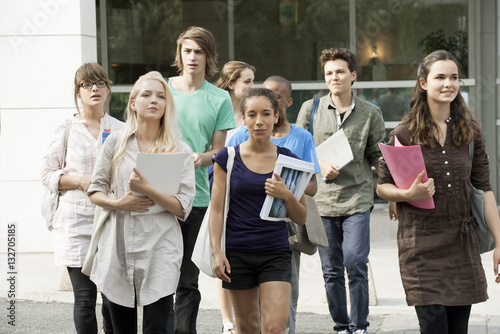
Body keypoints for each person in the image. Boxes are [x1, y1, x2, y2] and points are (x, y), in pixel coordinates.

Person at [376, 50, 500, 334]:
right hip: (421, 246)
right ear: (423, 83)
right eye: (440, 77)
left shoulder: (470, 132)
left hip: (461, 243)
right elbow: (383, 186)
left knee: (458, 330)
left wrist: (499, 241)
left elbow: (485, 189)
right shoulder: (405, 133)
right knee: (433, 329)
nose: (449, 84)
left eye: (454, 77)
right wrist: (409, 194)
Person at [86, 71, 195, 333]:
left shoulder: (179, 149)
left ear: (167, 105)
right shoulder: (116, 141)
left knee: (157, 326)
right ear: (133, 103)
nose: (153, 100)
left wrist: (147, 189)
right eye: (146, 95)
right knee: (122, 327)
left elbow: (183, 208)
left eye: (160, 96)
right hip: (119, 244)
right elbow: (94, 190)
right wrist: (118, 204)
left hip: (161, 244)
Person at [295, 48, 386, 334]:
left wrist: (394, 187)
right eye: (329, 73)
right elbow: (297, 151)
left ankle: (360, 326)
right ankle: (341, 325)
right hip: (322, 202)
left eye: (340, 71)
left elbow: (377, 155)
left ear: (353, 75)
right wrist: (320, 164)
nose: (334, 77)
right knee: (331, 270)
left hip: (358, 199)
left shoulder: (370, 112)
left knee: (356, 262)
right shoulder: (310, 110)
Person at [210, 88, 307, 334]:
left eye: (265, 114)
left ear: (276, 116)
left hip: (275, 251)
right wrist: (216, 253)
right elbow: (217, 211)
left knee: (275, 328)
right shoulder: (227, 158)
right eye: (252, 114)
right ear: (243, 119)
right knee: (248, 327)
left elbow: (301, 216)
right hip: (237, 252)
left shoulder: (289, 160)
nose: (259, 121)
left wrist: (286, 195)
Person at [228, 75, 320, 333]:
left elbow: (310, 186)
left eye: (271, 107)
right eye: (253, 113)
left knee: (279, 317)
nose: (260, 119)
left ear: (280, 110)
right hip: (241, 239)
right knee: (248, 321)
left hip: (282, 236)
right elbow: (221, 198)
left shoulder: (299, 141)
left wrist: (287, 190)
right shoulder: (234, 143)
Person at [41, 62, 123, 334]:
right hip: (75, 223)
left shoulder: (120, 129)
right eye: (87, 84)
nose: (94, 89)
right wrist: (79, 180)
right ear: (78, 91)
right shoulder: (66, 128)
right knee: (85, 298)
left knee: (113, 299)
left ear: (108, 89)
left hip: (111, 221)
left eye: (100, 83)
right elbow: (48, 175)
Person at [168, 26, 235, 333]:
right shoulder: (163, 89)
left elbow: (219, 151)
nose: (192, 57)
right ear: (179, 54)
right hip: (158, 194)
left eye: (199, 51)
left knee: (186, 280)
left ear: (208, 56)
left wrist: (200, 157)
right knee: (157, 276)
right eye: (187, 50)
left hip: (196, 198)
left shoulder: (219, 98)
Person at [211, 60, 255, 334]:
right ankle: (228, 321)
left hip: (247, 195)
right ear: (231, 84)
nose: (253, 86)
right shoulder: (219, 113)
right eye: (248, 81)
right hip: (221, 192)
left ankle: (246, 319)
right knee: (223, 257)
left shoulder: (253, 115)